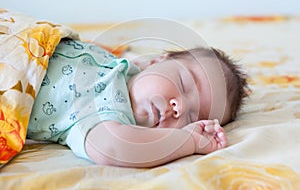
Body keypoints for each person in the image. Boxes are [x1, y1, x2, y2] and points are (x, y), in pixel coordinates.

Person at [27, 38, 248, 168]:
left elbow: (113, 147)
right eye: (183, 83)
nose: (179, 107)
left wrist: (188, 139)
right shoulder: (124, 66)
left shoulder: (108, 115)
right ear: (156, 61)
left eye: (192, 117)